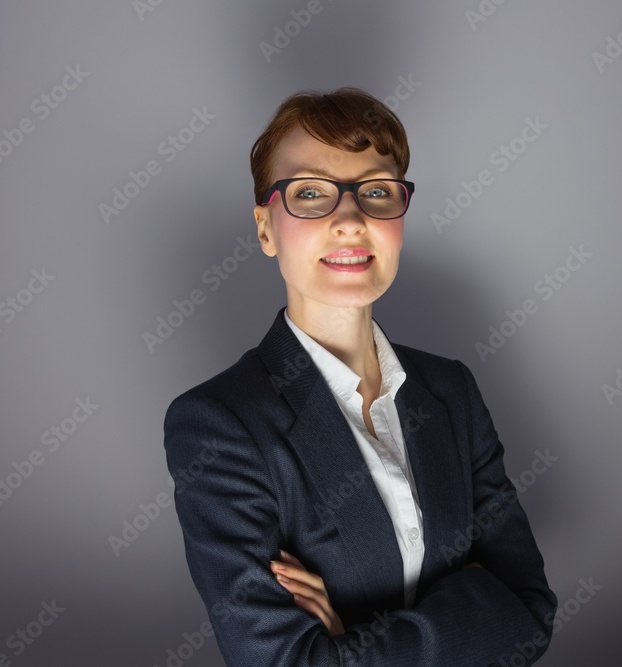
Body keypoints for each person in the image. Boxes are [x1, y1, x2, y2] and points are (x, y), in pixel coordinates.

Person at [163, 87, 557, 666]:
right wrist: (472, 600)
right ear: (266, 228)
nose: (350, 219)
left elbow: (529, 614)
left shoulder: (451, 391)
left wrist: (350, 639)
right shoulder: (219, 425)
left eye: (375, 191)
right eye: (310, 194)